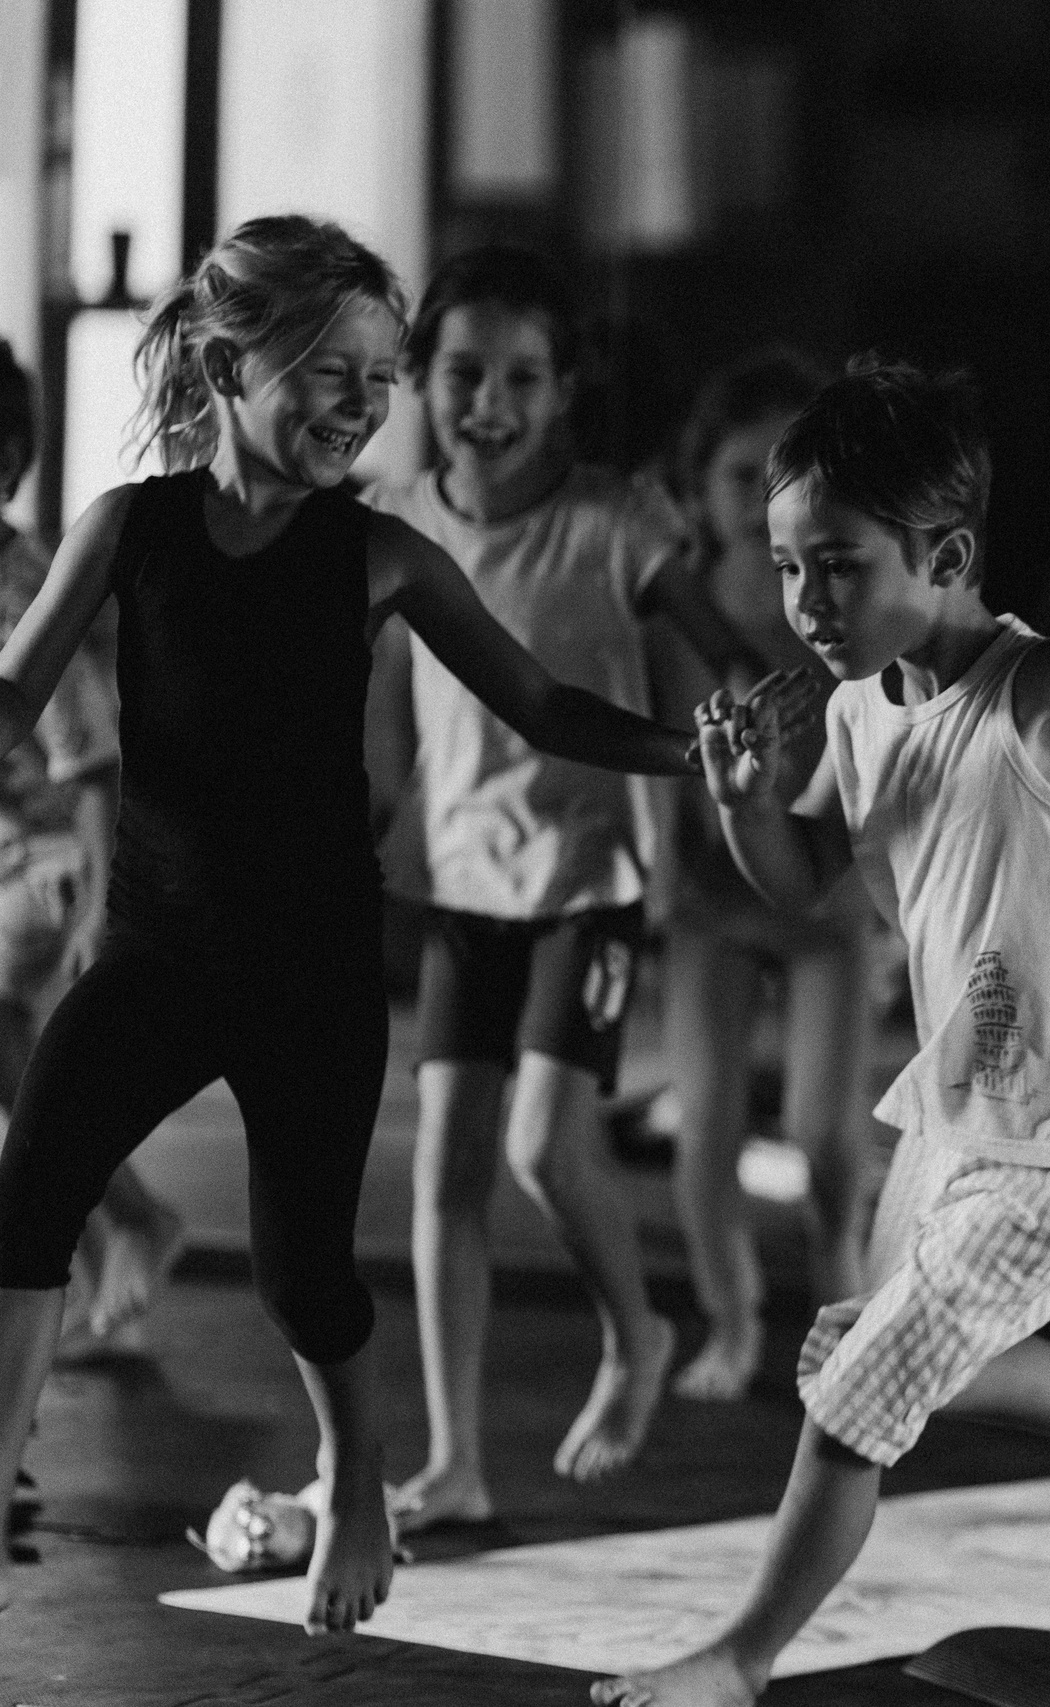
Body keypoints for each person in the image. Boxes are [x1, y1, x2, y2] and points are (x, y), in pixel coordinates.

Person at [0, 214, 700, 1633]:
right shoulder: (125, 530)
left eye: (383, 379)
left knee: (301, 1268)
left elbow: (544, 705)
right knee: (24, 1201)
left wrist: (692, 750)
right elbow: (11, 701)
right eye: (334, 372)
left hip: (310, 973)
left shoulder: (383, 555)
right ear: (224, 361)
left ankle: (364, 1475)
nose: (365, 404)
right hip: (153, 953)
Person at [591, 357, 1050, 1707]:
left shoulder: (1046, 696)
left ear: (946, 553)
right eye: (787, 570)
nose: (806, 604)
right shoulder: (853, 709)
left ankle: (741, 1653)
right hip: (955, 1112)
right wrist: (740, 798)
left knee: (855, 1398)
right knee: (871, 1356)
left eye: (838, 567)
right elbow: (806, 879)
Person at [370, 247, 768, 1528]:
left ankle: (637, 1336)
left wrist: (750, 730)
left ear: (565, 390)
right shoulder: (395, 519)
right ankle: (455, 1459)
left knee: (547, 1143)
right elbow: (383, 707)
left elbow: (718, 653)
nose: (490, 402)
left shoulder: (617, 520)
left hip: (587, 875)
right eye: (464, 373)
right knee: (446, 1174)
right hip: (458, 875)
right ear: (416, 379)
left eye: (522, 378)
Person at [653, 349, 886, 1403]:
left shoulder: (843, 613)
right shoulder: (681, 610)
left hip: (826, 903)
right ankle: (732, 1320)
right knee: (703, 1123)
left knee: (824, 1136)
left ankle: (844, 1300)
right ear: (697, 490)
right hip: (711, 897)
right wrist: (658, 868)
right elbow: (656, 759)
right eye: (736, 477)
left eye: (779, 475)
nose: (757, 503)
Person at [0, 340, 185, 1362]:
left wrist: (94, 905)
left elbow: (88, 755)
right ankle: (118, 1221)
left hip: (43, 857)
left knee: (2, 1031)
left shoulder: (21, 576)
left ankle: (123, 1219)